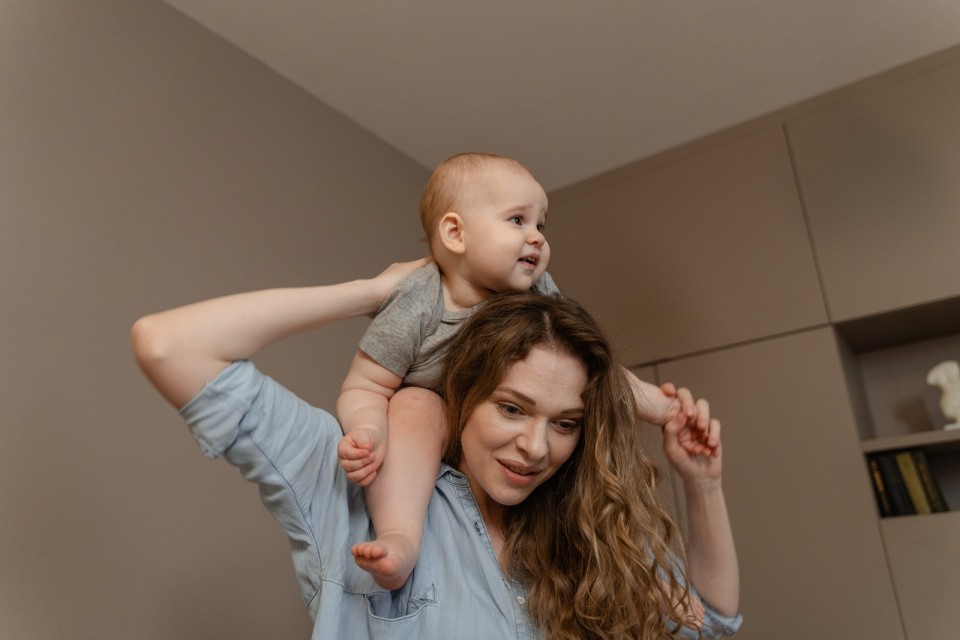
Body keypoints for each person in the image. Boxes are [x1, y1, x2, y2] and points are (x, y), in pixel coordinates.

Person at [131, 260, 741, 639]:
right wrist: (375, 292)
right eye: (511, 408)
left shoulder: (581, 538)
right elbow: (169, 345)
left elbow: (708, 624)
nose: (534, 447)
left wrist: (702, 485)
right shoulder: (358, 482)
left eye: (565, 424)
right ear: (461, 393)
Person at [337, 153, 709, 590]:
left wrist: (664, 409)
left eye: (541, 226)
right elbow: (364, 384)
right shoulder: (418, 300)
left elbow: (596, 371)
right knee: (415, 403)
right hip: (433, 422)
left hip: (491, 443)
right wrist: (368, 431)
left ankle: (651, 583)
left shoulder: (538, 295)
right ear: (456, 233)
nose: (536, 238)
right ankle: (401, 538)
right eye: (517, 221)